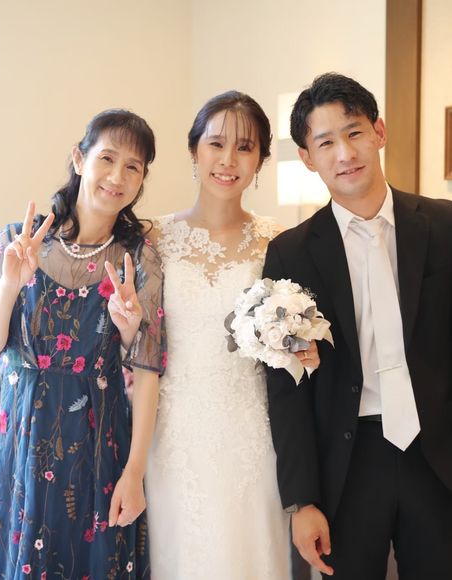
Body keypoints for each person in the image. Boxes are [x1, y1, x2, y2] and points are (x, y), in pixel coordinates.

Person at [263, 72, 452, 579]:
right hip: (347, 465)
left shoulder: (444, 225)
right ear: (307, 157)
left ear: (379, 132)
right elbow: (286, 388)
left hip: (437, 454)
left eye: (355, 133)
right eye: (326, 142)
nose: (345, 153)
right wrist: (302, 500)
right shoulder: (291, 253)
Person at [0, 109, 166, 579]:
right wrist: (10, 285)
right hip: (18, 441)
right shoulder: (17, 241)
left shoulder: (139, 259)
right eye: (107, 158)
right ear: (79, 159)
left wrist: (134, 473)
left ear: (142, 179)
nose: (117, 177)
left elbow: (148, 370)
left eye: (133, 167)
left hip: (96, 447)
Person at [145, 91, 319, 579]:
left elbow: (295, 338)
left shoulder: (278, 241)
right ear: (194, 150)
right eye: (216, 144)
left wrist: (302, 347)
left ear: (260, 160)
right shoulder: (153, 238)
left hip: (251, 435)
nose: (228, 160)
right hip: (172, 438)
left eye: (245, 148)